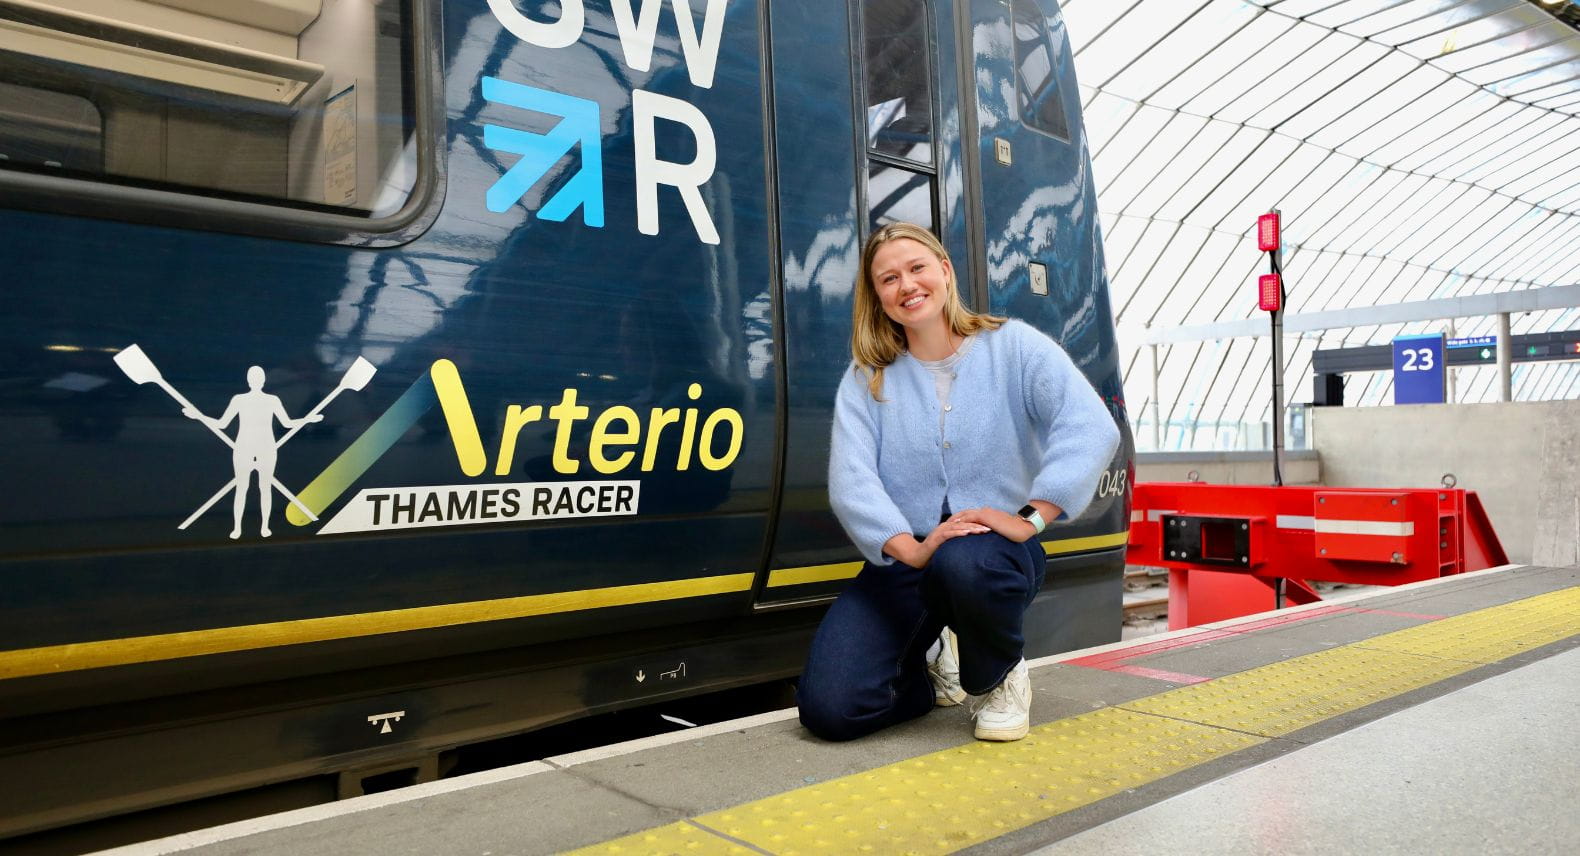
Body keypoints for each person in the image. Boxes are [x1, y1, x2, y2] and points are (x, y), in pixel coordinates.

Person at [797, 222, 1120, 742]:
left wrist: (1029, 517)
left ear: (944, 272)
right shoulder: (868, 377)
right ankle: (932, 669)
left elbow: (1091, 426)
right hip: (908, 562)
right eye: (888, 279)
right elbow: (851, 481)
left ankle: (999, 675)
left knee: (964, 561)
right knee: (830, 711)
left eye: (917, 268)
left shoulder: (1011, 347)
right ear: (877, 297)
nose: (906, 286)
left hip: (989, 559)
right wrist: (917, 551)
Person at [184, 366, 321, 539]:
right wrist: (308, 419)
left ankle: (248, 529)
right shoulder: (256, 400)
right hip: (254, 446)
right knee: (259, 488)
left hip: (255, 446)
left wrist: (198, 416)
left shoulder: (256, 400)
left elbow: (221, 424)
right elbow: (287, 423)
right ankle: (250, 528)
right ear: (262, 380)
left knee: (249, 488)